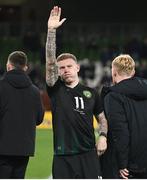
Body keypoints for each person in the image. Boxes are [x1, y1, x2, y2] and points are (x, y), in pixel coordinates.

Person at [45, 6, 108, 179]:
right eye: (62, 68)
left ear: (77, 68)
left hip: (88, 155)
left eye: (69, 66)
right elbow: (50, 62)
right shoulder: (55, 89)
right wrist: (51, 31)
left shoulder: (92, 92)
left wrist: (103, 136)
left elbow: (102, 120)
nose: (65, 70)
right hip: (62, 156)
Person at [100, 54, 147, 179]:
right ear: (133, 72)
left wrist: (122, 164)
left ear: (114, 72)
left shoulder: (113, 96)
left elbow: (120, 132)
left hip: (127, 167)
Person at [0, 51, 44, 178]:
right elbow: (39, 119)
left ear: (8, 66)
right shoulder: (35, 91)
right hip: (24, 149)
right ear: (25, 68)